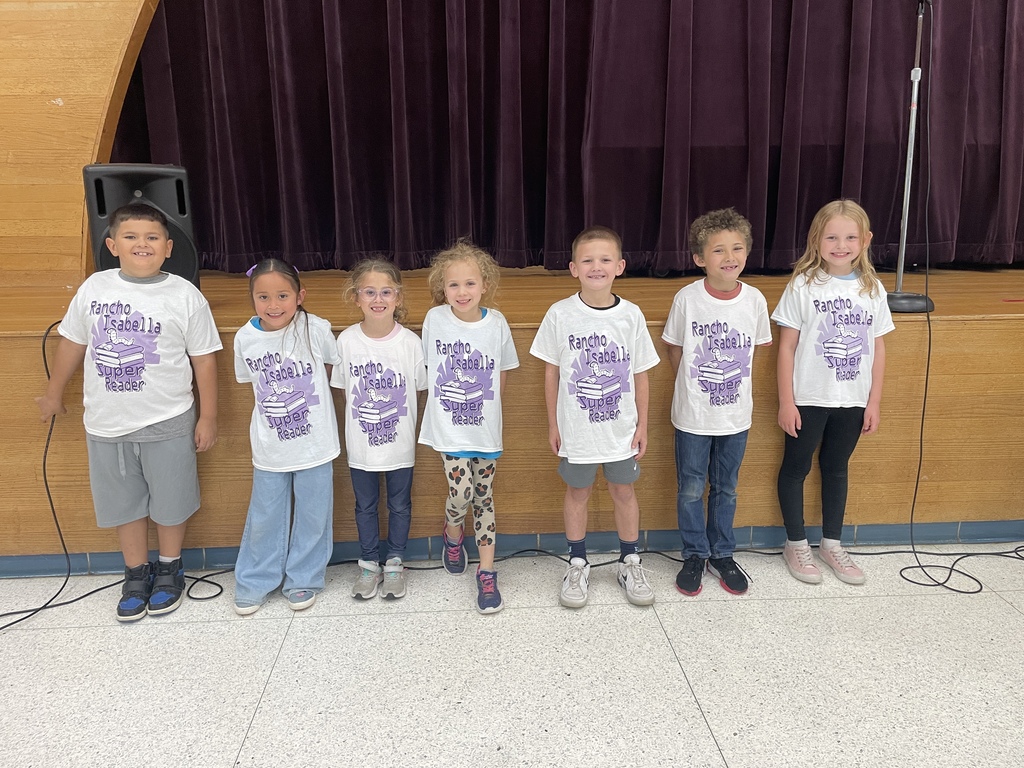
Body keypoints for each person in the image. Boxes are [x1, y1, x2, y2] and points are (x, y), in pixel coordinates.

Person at [35, 203, 221, 622]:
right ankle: (136, 574)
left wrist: (207, 417)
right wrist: (53, 392)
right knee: (126, 505)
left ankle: (170, 568)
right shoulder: (94, 289)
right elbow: (72, 343)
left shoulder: (184, 294)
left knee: (171, 502)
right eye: (132, 237)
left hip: (169, 419)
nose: (142, 244)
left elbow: (205, 360)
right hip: (107, 423)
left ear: (169, 247)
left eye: (153, 237)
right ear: (112, 244)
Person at [530, 226, 660, 608]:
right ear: (573, 268)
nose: (596, 267)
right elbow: (551, 371)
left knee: (624, 491)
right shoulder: (560, 314)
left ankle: (629, 560)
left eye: (605, 260)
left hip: (621, 429)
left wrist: (643, 425)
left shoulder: (631, 315)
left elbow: (641, 373)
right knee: (578, 492)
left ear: (620, 266)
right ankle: (577, 561)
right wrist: (554, 424)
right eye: (587, 260)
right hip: (577, 429)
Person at [772, 199, 895, 585]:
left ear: (866, 240)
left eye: (850, 237)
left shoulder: (872, 289)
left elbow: (877, 349)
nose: (841, 245)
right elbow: (786, 347)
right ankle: (795, 543)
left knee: (836, 469)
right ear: (816, 239)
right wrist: (786, 401)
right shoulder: (803, 285)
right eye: (832, 237)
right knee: (796, 468)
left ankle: (831, 543)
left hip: (852, 401)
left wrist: (873, 401)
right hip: (809, 399)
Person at [663, 208, 772, 596]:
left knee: (727, 488)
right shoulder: (687, 299)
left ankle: (722, 553)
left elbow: (755, 353)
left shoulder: (755, 300)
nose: (730, 257)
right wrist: (695, 389)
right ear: (699, 259)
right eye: (719, 250)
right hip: (693, 416)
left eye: (738, 248)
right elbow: (675, 349)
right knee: (691, 488)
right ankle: (694, 552)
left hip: (735, 418)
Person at [232, 259, 340, 614]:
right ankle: (255, 580)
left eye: (282, 295)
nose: (273, 304)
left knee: (313, 515)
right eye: (263, 297)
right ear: (252, 298)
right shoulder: (245, 338)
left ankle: (304, 579)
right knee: (264, 515)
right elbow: (254, 386)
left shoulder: (316, 329)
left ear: (300, 296)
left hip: (315, 444)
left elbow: (326, 372)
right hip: (270, 447)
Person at [419, 240, 519, 614]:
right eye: (453, 285)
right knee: (461, 493)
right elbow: (432, 368)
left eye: (470, 284)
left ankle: (487, 572)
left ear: (485, 285)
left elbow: (503, 371)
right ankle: (452, 531)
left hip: (485, 429)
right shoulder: (435, 320)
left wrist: (489, 411)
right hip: (450, 428)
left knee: (484, 495)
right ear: (442, 288)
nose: (462, 292)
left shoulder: (496, 323)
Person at [332, 259, 426, 600]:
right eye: (369, 292)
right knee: (365, 505)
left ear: (398, 298)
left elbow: (417, 390)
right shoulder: (346, 341)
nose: (378, 298)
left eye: (386, 291)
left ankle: (395, 564)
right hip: (361, 448)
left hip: (400, 445)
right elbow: (345, 392)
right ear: (356, 297)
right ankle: (370, 563)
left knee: (400, 504)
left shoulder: (411, 343)